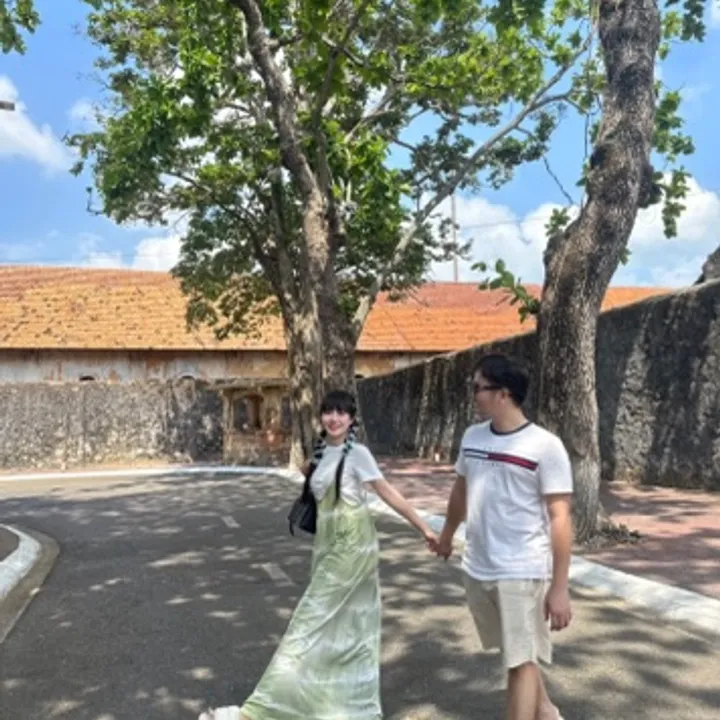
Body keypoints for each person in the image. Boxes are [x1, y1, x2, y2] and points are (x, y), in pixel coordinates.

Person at [200, 389, 438, 720]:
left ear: (352, 419)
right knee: (341, 624)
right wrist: (312, 465)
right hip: (327, 544)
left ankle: (256, 712)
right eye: (329, 412)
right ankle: (336, 702)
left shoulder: (359, 455)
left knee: (308, 622)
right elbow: (310, 475)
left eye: (342, 413)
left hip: (353, 545)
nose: (334, 418)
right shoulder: (322, 452)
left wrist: (425, 528)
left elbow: (387, 493)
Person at [436, 353, 573, 720]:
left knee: (520, 662)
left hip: (522, 568)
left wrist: (559, 587)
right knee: (515, 651)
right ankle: (547, 713)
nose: (473, 395)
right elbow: (461, 490)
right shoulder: (473, 437)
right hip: (478, 565)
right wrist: (447, 535)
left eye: (478, 388)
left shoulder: (545, 446)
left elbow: (560, 517)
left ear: (503, 393)